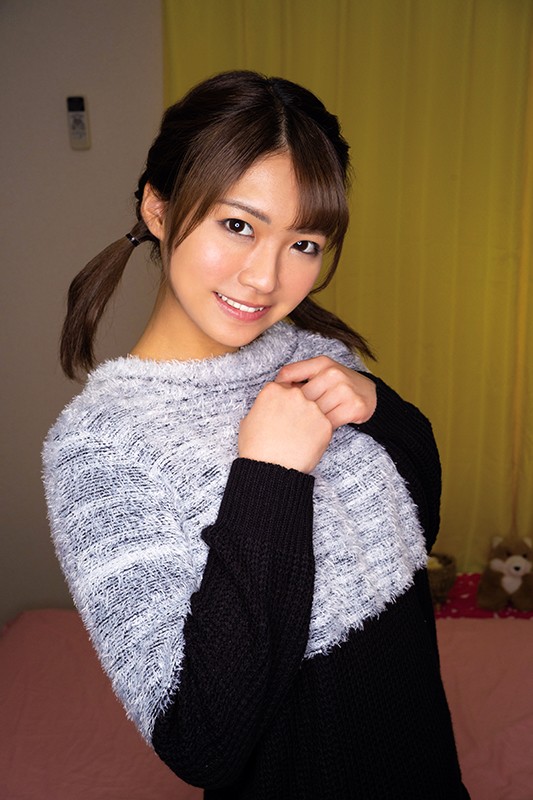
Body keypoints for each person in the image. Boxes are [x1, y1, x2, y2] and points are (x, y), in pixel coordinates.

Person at [42, 70, 470, 799]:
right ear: (158, 207)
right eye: (238, 225)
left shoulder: (317, 353)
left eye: (303, 242)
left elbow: (412, 531)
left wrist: (381, 409)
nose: (265, 278)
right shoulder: (98, 449)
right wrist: (270, 478)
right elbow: (201, 739)